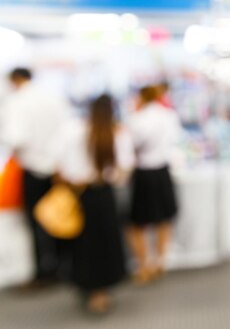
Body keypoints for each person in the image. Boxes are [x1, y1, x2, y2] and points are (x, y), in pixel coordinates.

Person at [57, 94, 134, 314]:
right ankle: (101, 291)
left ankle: (89, 287)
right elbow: (123, 172)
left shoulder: (75, 132)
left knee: (84, 244)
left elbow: (63, 168)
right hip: (104, 195)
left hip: (82, 195)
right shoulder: (117, 134)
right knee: (105, 242)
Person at [0, 68, 70, 286]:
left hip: (33, 169)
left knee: (37, 222)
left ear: (15, 80)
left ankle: (44, 272)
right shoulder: (52, 97)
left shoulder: (18, 102)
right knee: (60, 217)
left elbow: (16, 137)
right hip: (58, 169)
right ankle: (63, 266)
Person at [127, 86, 181, 284]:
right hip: (162, 170)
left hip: (143, 172)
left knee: (139, 222)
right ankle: (160, 261)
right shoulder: (168, 116)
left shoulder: (137, 119)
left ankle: (144, 265)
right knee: (163, 218)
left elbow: (130, 145)